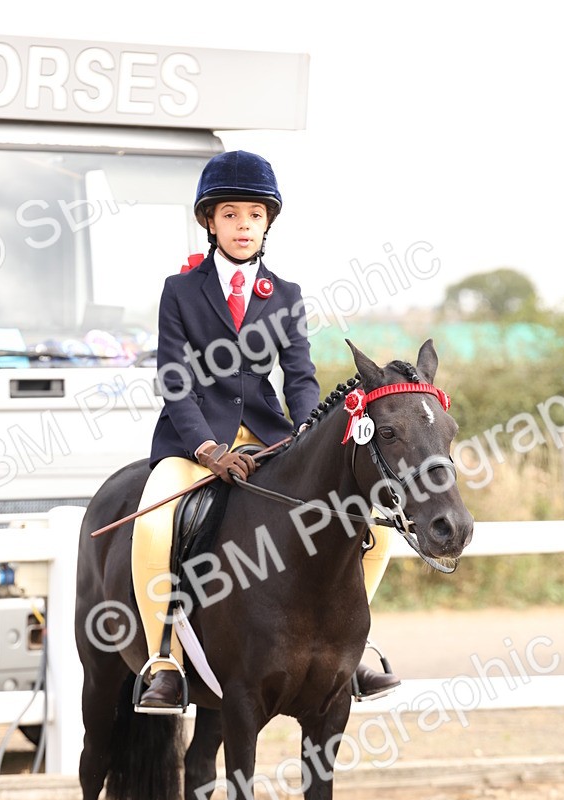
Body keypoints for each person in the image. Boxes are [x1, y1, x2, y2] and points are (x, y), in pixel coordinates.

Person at [130, 150, 400, 710]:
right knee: (156, 525)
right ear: (210, 221)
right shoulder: (179, 292)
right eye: (231, 214)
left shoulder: (287, 295)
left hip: (271, 437)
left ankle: (353, 650)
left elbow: (300, 376)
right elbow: (174, 379)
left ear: (267, 222)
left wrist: (306, 433)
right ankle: (166, 663)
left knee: (375, 527)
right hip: (193, 440)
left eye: (254, 215)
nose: (243, 225)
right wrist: (207, 449)